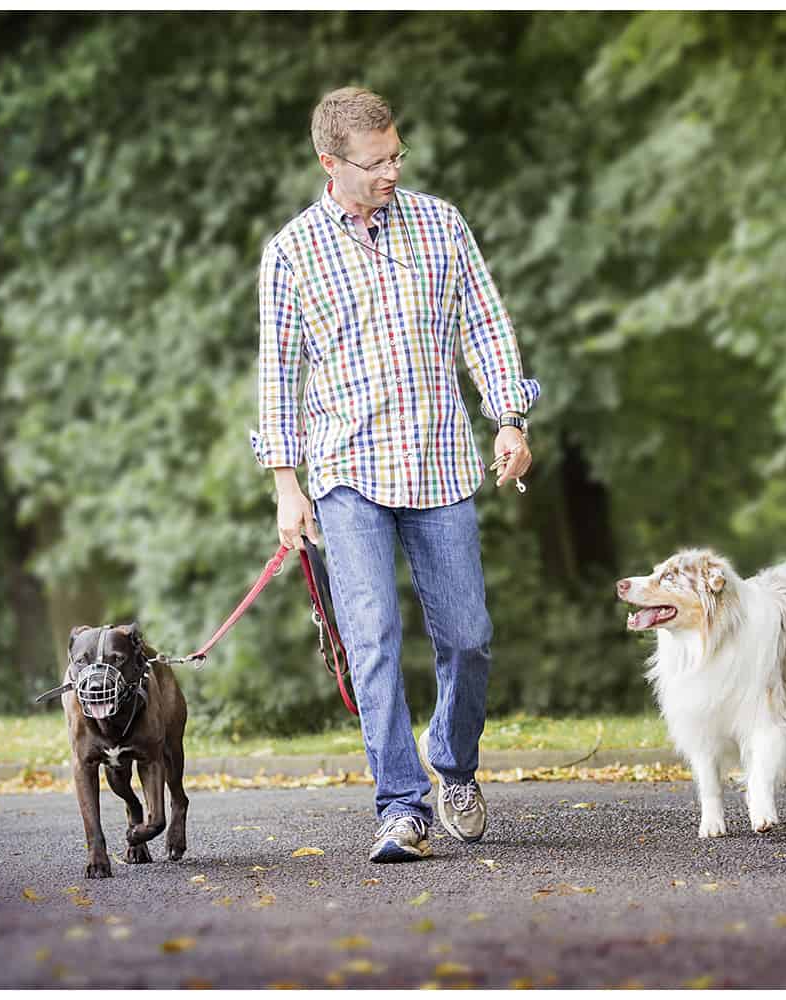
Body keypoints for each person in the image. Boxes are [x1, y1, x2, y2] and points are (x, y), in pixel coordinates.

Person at [250, 86, 539, 863]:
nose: (391, 173)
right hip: (347, 474)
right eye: (375, 163)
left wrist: (509, 418)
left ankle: (453, 763)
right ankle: (401, 805)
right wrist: (286, 485)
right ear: (330, 163)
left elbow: (486, 326)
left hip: (440, 462)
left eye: (396, 156)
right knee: (372, 640)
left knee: (469, 638)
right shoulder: (292, 252)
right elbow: (279, 378)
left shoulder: (441, 225)